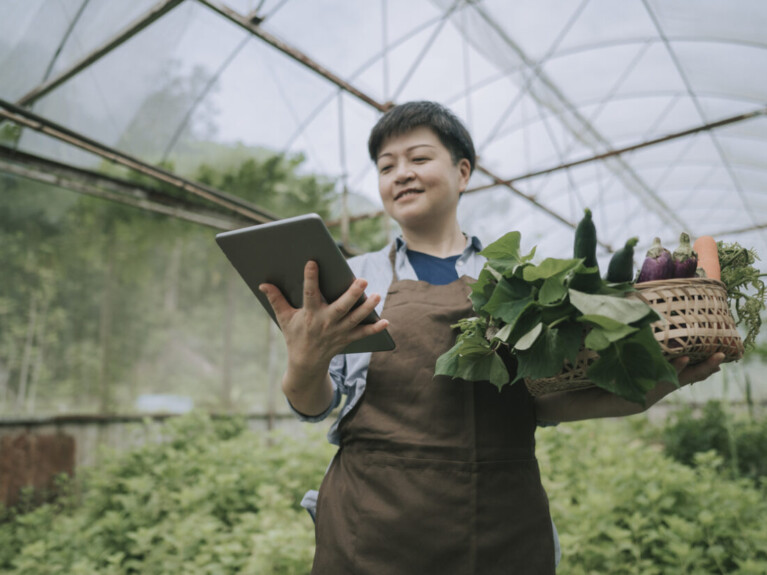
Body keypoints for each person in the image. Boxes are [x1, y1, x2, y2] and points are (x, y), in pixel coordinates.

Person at [258, 101, 725, 575]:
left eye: (418, 159)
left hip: (500, 525)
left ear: (462, 172)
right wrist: (305, 359)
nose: (401, 174)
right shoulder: (352, 280)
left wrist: (653, 387)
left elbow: (541, 403)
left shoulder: (518, 279)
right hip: (373, 526)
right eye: (386, 166)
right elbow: (313, 405)